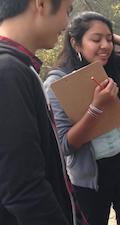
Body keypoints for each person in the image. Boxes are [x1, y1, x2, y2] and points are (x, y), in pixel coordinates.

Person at [44, 11, 120, 225]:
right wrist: (96, 108)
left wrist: (112, 38)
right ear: (76, 43)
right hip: (91, 177)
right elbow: (64, 146)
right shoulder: (59, 83)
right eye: (96, 39)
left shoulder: (115, 66)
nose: (105, 45)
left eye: (109, 39)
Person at [0, 0, 89, 225]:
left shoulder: (19, 67)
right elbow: (24, 189)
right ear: (41, 3)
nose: (67, 23)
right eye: (67, 11)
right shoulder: (8, 72)